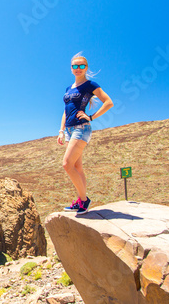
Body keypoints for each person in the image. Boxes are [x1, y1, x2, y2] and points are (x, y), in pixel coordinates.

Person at [57, 53, 113, 215]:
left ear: (86, 68)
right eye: (75, 66)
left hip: (81, 128)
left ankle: (84, 200)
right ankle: (80, 201)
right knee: (77, 166)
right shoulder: (69, 89)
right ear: (71, 68)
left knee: (67, 164)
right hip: (68, 130)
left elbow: (108, 102)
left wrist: (91, 116)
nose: (78, 69)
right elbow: (65, 111)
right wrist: (61, 131)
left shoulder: (90, 85)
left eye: (81, 66)